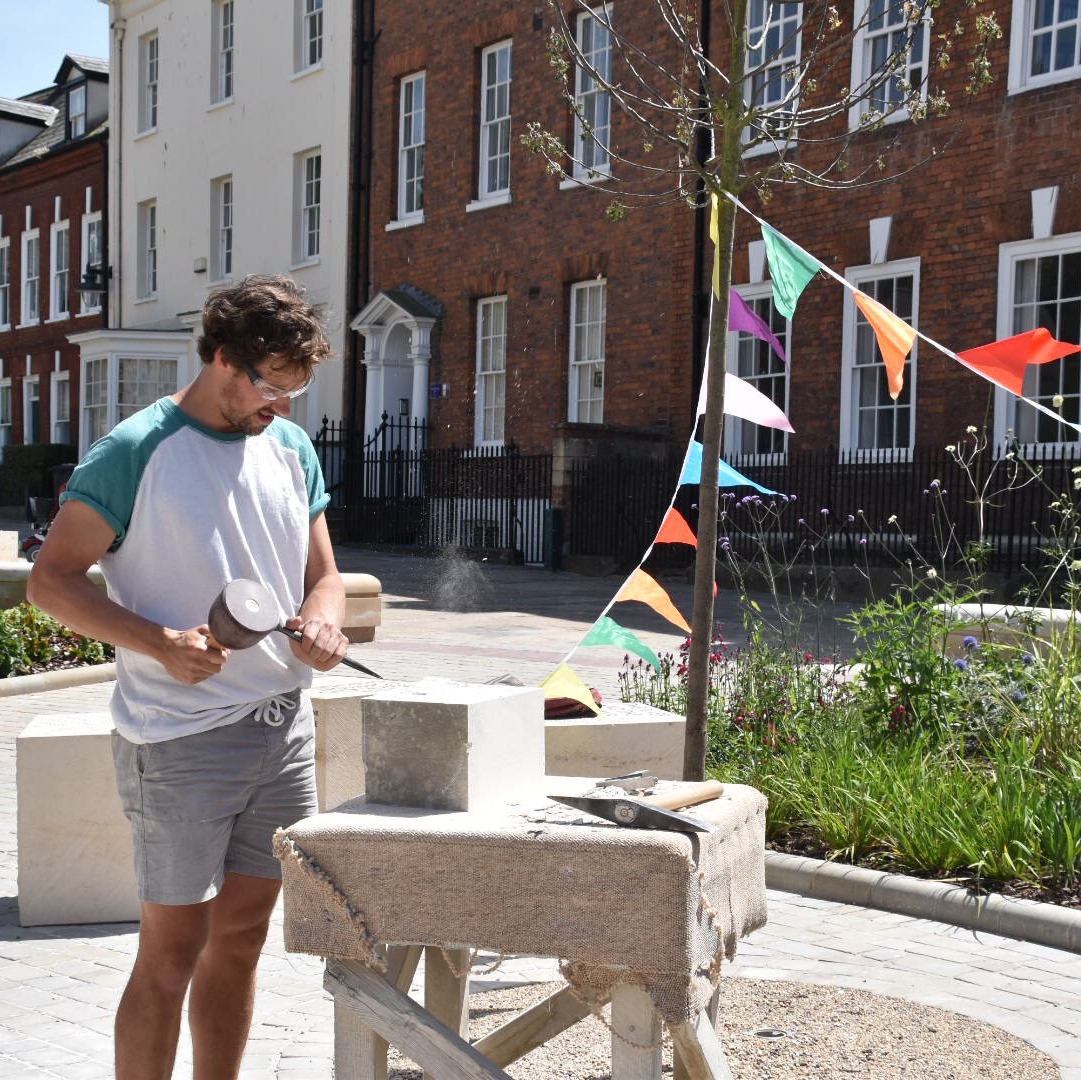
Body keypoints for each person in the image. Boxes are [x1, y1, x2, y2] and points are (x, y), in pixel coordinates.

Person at [28, 273, 351, 1080]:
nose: (283, 407)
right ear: (223, 362)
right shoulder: (135, 451)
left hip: (284, 730)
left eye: (295, 391)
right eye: (273, 388)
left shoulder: (290, 447)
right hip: (178, 742)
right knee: (170, 956)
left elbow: (326, 576)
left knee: (240, 943)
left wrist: (323, 620)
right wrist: (160, 643)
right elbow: (51, 581)